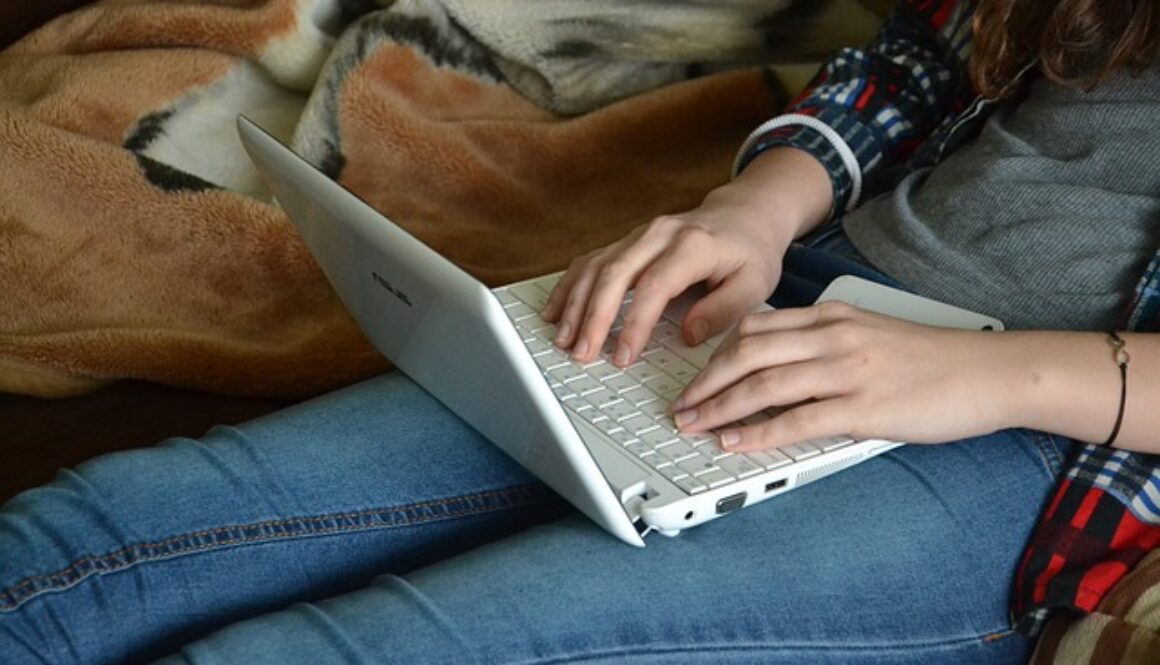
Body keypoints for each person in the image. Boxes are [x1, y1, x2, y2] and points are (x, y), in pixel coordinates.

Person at [2, 0, 1158, 662]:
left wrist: (990, 374)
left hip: (1044, 444)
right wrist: (752, 211)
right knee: (98, 533)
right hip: (803, 291)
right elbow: (928, 59)